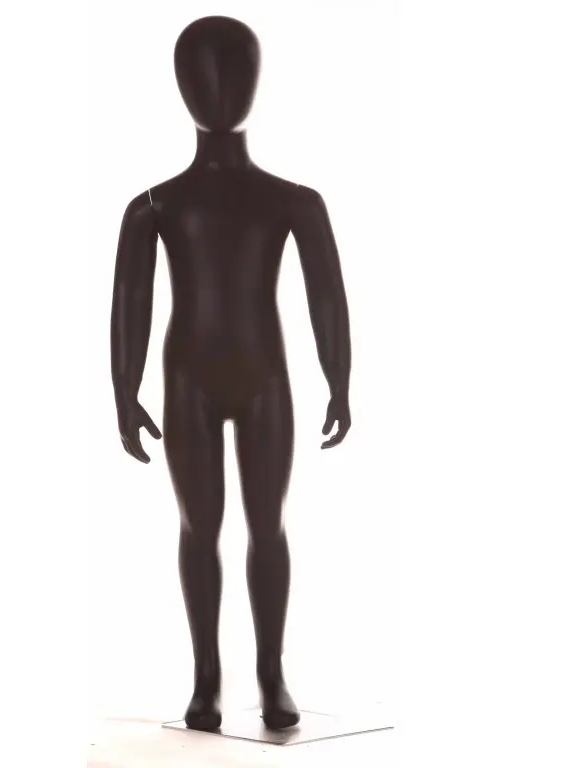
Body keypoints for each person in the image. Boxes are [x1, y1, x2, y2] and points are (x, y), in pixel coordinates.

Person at [109, 15, 352, 732]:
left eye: (234, 71)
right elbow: (130, 301)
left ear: (256, 82)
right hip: (189, 380)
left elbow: (326, 295)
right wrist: (123, 390)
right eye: (203, 74)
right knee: (199, 527)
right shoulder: (153, 206)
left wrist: (339, 377)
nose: (218, 89)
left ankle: (271, 675)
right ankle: (207, 680)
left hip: (263, 380)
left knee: (266, 526)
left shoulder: (293, 200)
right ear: (180, 86)